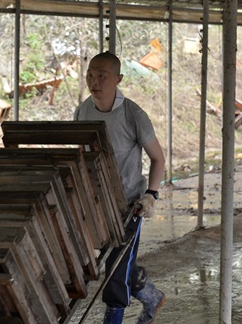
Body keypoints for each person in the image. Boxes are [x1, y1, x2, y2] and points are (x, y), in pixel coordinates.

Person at [74, 51, 166, 324]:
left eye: (102, 76)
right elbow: (79, 155)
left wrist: (150, 195)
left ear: (118, 79)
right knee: (117, 262)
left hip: (130, 205)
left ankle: (113, 318)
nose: (95, 81)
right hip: (97, 203)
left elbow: (158, 158)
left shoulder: (132, 114)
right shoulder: (82, 111)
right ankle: (150, 295)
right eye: (90, 75)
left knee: (115, 270)